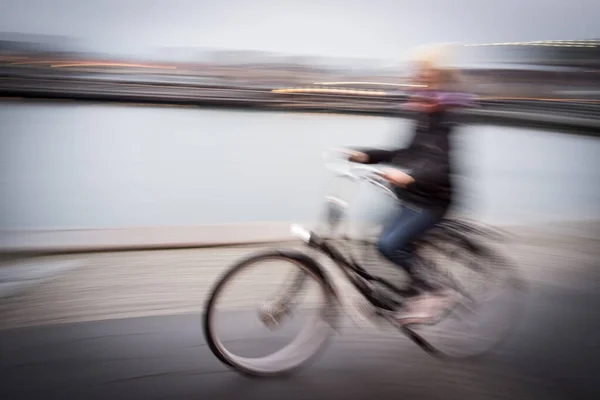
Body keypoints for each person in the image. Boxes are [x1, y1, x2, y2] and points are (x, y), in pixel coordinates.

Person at [342, 45, 474, 325]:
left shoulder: (446, 120)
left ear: (439, 79)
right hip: (412, 195)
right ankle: (392, 297)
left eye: (426, 76)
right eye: (419, 76)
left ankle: (436, 292)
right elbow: (406, 151)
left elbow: (438, 164)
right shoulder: (423, 116)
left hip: (434, 200)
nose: (419, 83)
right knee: (375, 237)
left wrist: (410, 176)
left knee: (390, 244)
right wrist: (367, 155)